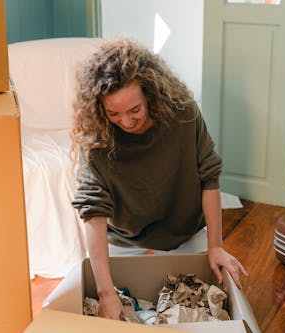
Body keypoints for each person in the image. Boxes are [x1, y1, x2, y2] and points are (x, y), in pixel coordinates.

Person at [71, 38, 248, 320]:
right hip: (123, 240)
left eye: (135, 110)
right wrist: (106, 292)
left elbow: (209, 177)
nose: (126, 122)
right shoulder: (96, 136)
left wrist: (216, 245)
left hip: (184, 232)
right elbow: (92, 211)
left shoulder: (183, 112)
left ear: (151, 95)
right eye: (114, 113)